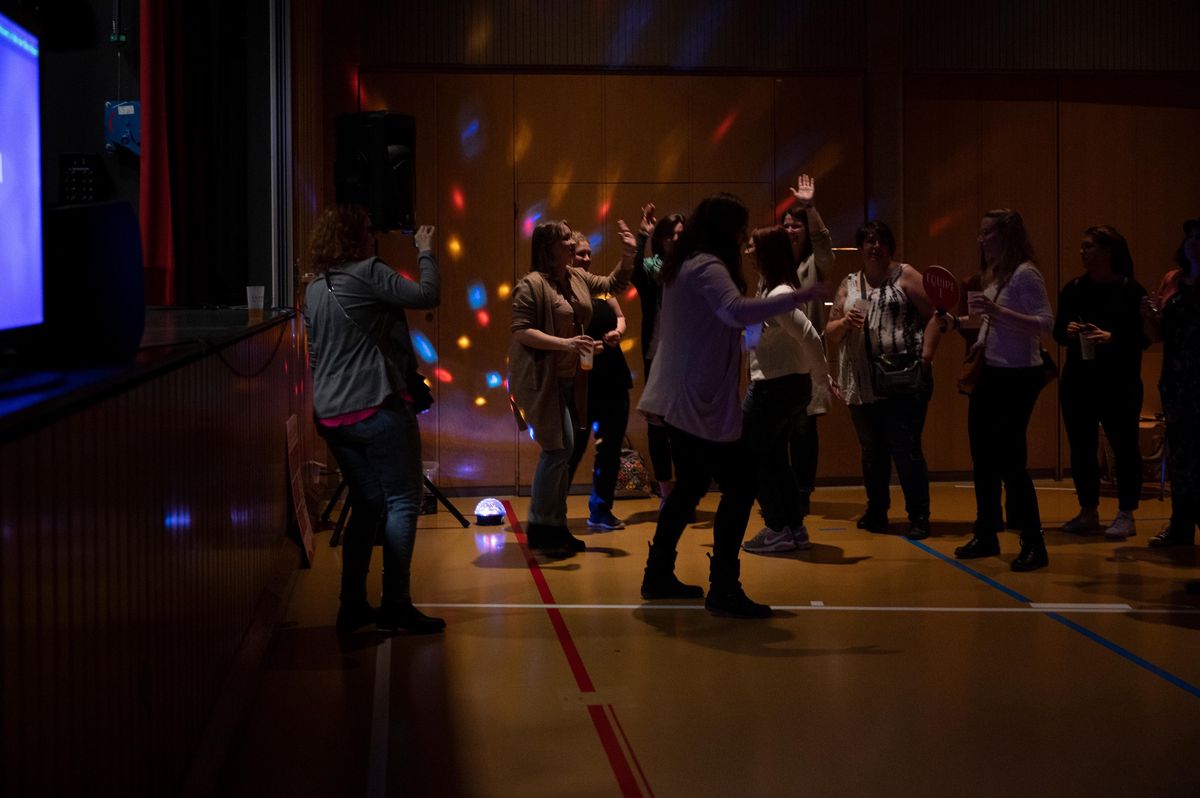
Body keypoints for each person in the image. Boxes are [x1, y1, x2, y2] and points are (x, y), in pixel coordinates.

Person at [637, 194, 828, 618]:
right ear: (725, 230)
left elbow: (724, 323)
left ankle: (658, 574)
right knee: (741, 484)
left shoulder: (685, 266)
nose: (745, 236)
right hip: (697, 403)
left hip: (685, 399)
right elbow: (734, 310)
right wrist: (798, 297)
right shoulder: (705, 266)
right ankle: (723, 587)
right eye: (741, 228)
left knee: (688, 488)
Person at [303, 205, 444, 635]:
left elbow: (314, 354)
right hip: (376, 408)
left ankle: (352, 606)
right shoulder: (368, 271)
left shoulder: (313, 289)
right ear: (353, 237)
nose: (373, 236)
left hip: (331, 416)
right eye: (367, 229)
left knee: (367, 505)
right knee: (403, 500)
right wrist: (424, 251)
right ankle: (396, 605)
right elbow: (427, 296)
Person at [509, 218, 636, 554]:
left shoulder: (575, 277)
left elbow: (612, 284)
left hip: (570, 380)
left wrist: (627, 256)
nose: (571, 243)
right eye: (564, 239)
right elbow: (522, 331)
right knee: (558, 450)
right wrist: (566, 344)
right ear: (548, 247)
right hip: (542, 381)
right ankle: (541, 526)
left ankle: (554, 527)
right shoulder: (531, 285)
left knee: (561, 450)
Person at [948, 209, 1055, 571]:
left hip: (1018, 375)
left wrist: (997, 311)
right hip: (990, 372)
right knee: (982, 455)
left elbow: (1045, 323)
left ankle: (1032, 540)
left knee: (1011, 460)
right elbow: (988, 320)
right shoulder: (995, 274)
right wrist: (954, 321)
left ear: (1007, 235)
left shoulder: (1026, 274)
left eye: (987, 233)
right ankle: (986, 531)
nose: (980, 239)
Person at [825, 220, 941, 540]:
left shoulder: (906, 274)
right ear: (860, 248)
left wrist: (926, 358)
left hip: (901, 379)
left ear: (890, 246)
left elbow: (936, 314)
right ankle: (877, 511)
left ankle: (919, 515)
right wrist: (845, 322)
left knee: (905, 448)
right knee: (872, 451)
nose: (875, 246)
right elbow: (831, 333)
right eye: (869, 241)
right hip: (861, 383)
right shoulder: (850, 284)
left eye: (881, 241)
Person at [1053, 226, 1149, 539]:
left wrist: (1112, 338)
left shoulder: (1130, 290)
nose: (1082, 252)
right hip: (1079, 380)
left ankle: (1126, 512)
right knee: (1081, 447)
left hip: (1118, 381)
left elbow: (1145, 337)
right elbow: (1057, 332)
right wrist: (1067, 331)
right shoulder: (1074, 288)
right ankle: (1088, 509)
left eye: (1089, 247)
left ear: (1108, 252)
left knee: (1123, 447)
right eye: (1081, 247)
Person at [740, 225, 829, 554]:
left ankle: (776, 527)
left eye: (753, 246)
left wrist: (821, 376)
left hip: (776, 389)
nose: (748, 251)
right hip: (781, 386)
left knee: (752, 458)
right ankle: (794, 527)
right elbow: (753, 341)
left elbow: (810, 336)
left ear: (766, 252)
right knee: (776, 459)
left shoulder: (777, 295)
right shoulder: (767, 290)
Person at [565, 231, 633, 531]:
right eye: (581, 253)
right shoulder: (563, 290)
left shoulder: (600, 286)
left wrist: (618, 331)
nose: (587, 258)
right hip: (582, 379)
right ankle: (552, 511)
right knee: (573, 447)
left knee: (610, 448)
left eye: (588, 253)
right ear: (568, 256)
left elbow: (620, 317)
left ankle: (601, 510)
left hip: (613, 376)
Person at [1142, 217, 1200, 549]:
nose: (1194, 242)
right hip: (1177, 382)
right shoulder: (1175, 280)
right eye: (1190, 236)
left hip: (1198, 382)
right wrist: (1150, 316)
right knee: (1179, 459)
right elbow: (1157, 336)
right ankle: (1181, 526)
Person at [782, 175, 836, 517]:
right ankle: (782, 489)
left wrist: (810, 207)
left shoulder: (815, 265)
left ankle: (803, 491)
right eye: (785, 225)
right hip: (776, 362)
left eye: (795, 225)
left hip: (807, 360)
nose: (790, 230)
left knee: (803, 428)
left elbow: (823, 241)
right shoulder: (772, 267)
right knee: (778, 429)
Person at [633, 205, 686, 501]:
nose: (679, 240)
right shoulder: (653, 268)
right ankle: (666, 491)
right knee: (657, 426)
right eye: (674, 235)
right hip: (657, 356)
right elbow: (636, 275)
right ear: (663, 238)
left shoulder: (693, 267)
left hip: (686, 357)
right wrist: (643, 235)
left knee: (683, 426)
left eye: (683, 235)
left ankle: (685, 489)